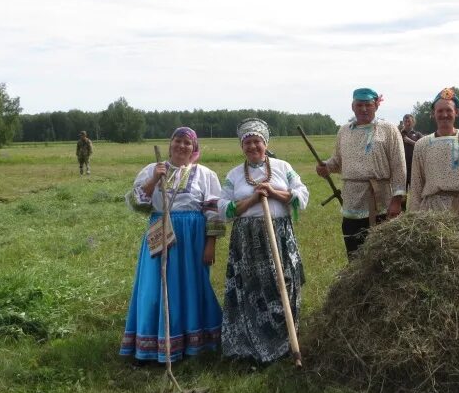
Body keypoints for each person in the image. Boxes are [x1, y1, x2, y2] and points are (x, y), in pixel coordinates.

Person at [119, 127, 224, 363]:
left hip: (192, 239)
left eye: (188, 143)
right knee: (155, 288)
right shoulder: (151, 170)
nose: (181, 146)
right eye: (177, 141)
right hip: (160, 233)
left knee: (191, 287)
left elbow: (214, 212)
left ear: (194, 148)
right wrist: (155, 178)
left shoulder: (206, 174)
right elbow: (137, 204)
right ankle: (154, 343)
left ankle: (194, 343)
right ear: (170, 144)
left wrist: (211, 245)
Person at [218, 118, 310, 364]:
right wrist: (252, 200)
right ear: (241, 146)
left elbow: (302, 194)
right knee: (251, 287)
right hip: (247, 240)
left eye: (256, 141)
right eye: (247, 142)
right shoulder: (235, 174)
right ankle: (250, 342)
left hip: (279, 235)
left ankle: (285, 340)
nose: (252, 147)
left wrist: (274, 193)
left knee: (283, 283)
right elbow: (223, 206)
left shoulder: (282, 167)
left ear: (265, 143)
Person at [316, 88, 407, 258]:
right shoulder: (344, 131)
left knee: (382, 257)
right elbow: (338, 161)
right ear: (352, 107)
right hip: (352, 203)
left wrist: (397, 200)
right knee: (354, 254)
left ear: (376, 106)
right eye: (359, 105)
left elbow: (399, 166)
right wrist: (326, 166)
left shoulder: (388, 130)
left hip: (381, 203)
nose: (364, 109)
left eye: (368, 105)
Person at [408, 88, 459, 224]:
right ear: (433, 113)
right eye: (440, 111)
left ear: (456, 112)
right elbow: (416, 183)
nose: (444, 114)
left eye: (449, 110)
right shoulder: (422, 144)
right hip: (431, 212)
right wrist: (415, 217)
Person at [401, 113, 423, 191]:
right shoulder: (399, 134)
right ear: (403, 122)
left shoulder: (418, 134)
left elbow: (423, 147)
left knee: (415, 191)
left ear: (413, 122)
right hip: (402, 167)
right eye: (405, 121)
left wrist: (411, 142)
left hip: (415, 166)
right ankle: (402, 204)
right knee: (402, 192)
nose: (407, 123)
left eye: (409, 121)